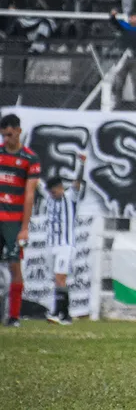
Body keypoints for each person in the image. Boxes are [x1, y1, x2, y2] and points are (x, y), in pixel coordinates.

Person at [0, 115, 41, 327]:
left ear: (18, 131)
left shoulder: (29, 158)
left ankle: (14, 316)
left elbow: (29, 195)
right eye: (3, 134)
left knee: (15, 266)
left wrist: (24, 228)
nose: (7, 138)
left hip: (14, 220)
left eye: (9, 134)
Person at [41, 154, 86, 325]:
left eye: (54, 191)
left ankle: (57, 312)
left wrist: (81, 164)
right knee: (58, 280)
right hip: (52, 245)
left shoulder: (70, 197)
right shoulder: (49, 199)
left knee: (60, 278)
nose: (52, 195)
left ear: (60, 188)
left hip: (66, 245)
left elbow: (77, 182)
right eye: (50, 193)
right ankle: (64, 314)